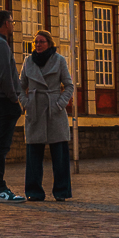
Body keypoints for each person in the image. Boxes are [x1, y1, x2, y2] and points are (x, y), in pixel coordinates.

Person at [20, 29, 75, 201]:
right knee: (33, 155)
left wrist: (60, 103)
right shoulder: (28, 61)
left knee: (60, 156)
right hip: (35, 110)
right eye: (36, 42)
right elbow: (20, 86)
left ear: (49, 43)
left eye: (41, 42)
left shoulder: (59, 60)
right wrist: (26, 103)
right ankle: (33, 192)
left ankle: (61, 191)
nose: (38, 45)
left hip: (54, 111)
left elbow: (69, 86)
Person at [0, 9, 26, 204]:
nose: (13, 26)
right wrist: (14, 99)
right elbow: (4, 77)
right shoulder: (0, 44)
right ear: (6, 24)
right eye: (12, 22)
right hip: (2, 100)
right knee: (1, 146)